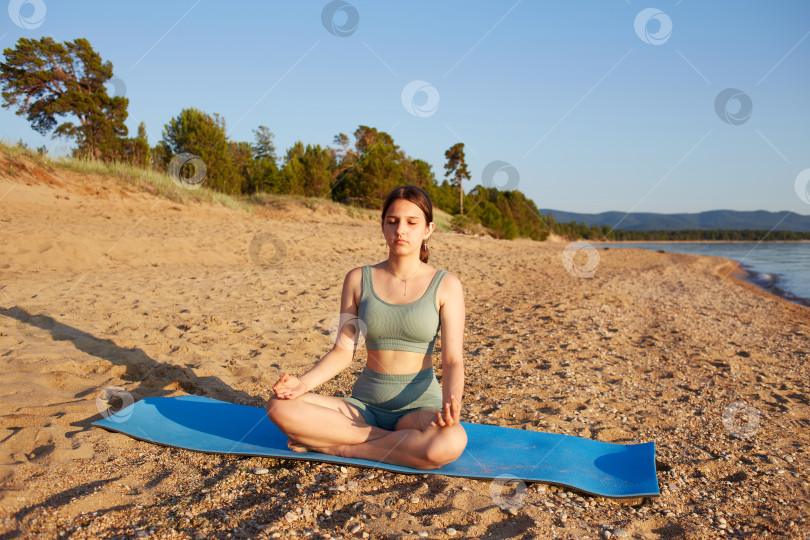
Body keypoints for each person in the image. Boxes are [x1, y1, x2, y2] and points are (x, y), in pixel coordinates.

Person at [266, 185, 467, 470]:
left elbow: (452, 359)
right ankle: (393, 442)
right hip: (363, 408)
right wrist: (303, 384)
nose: (401, 230)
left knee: (451, 441)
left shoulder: (447, 284)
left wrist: (451, 404)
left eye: (412, 222)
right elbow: (343, 351)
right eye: (392, 221)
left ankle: (340, 447)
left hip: (419, 409)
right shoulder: (358, 279)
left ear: (428, 229)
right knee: (278, 406)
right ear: (383, 226)